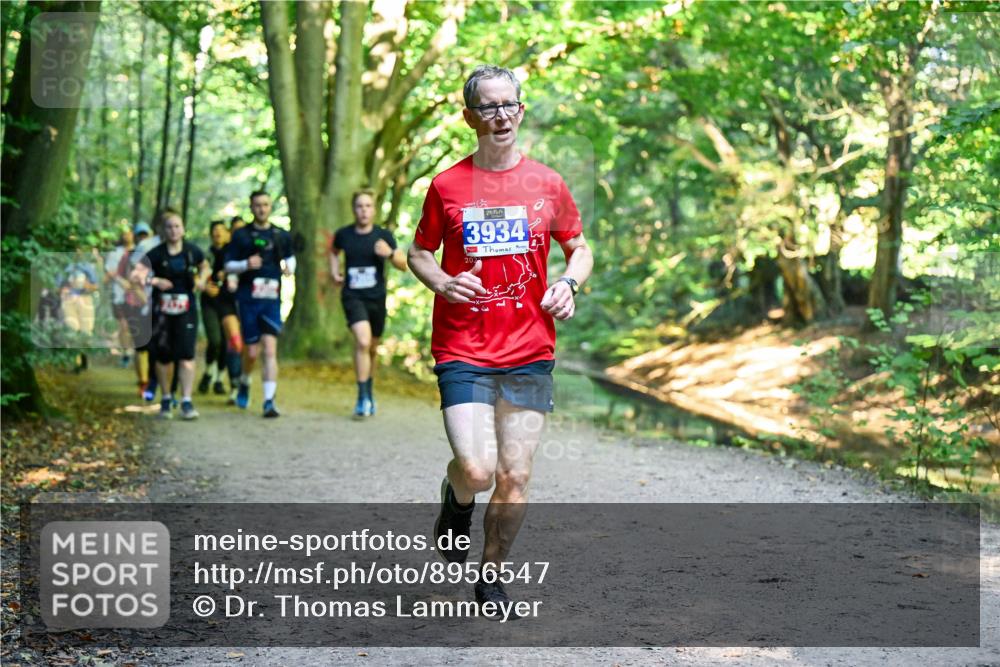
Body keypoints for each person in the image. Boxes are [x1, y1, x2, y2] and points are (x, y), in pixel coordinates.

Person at [407, 65, 593, 615]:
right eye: (487, 107)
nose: (500, 115)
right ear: (469, 117)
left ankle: (491, 576)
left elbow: (578, 248)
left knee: (514, 475)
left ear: (521, 109)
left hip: (529, 350)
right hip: (463, 346)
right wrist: (442, 280)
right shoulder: (446, 185)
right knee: (479, 469)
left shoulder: (548, 183)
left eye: (508, 104)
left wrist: (567, 282)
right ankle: (456, 500)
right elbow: (419, 252)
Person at [330, 189, 407, 417]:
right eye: (359, 206)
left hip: (376, 298)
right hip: (353, 296)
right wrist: (335, 272)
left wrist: (390, 253)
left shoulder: (383, 236)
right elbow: (333, 252)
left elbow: (403, 264)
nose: (363, 210)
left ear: (374, 209)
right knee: (362, 342)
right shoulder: (343, 234)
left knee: (372, 348)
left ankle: (369, 391)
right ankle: (362, 398)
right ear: (353, 209)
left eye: (368, 206)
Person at [224, 191, 295, 418]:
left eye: (265, 205)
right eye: (257, 205)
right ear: (251, 207)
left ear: (270, 207)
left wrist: (289, 268)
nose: (262, 209)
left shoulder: (281, 235)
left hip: (271, 300)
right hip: (248, 300)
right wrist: (246, 264)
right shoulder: (241, 236)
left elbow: (291, 259)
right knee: (252, 351)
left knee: (270, 349)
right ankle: (244, 380)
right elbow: (228, 265)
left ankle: (268, 401)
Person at [135, 211, 211, 420]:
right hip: (162, 311)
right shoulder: (156, 253)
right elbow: (137, 275)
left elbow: (205, 267)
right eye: (169, 227)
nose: (174, 230)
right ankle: (166, 397)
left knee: (187, 356)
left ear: (183, 229)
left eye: (177, 226)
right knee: (163, 357)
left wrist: (201, 280)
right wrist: (155, 281)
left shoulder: (191, 251)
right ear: (163, 231)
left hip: (186, 310)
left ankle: (186, 400)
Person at [199, 221, 243, 399]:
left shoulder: (234, 255)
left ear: (228, 234)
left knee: (228, 342)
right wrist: (205, 286)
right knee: (215, 340)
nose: (217, 233)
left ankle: (220, 379)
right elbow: (197, 274)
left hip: (229, 303)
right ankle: (209, 372)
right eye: (214, 230)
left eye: (221, 230)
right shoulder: (205, 255)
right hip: (209, 302)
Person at [104, 227, 135, 367]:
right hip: (119, 295)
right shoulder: (115, 253)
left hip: (137, 296)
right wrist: (121, 281)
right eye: (124, 233)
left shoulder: (140, 250)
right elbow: (109, 272)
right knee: (124, 325)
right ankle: (126, 353)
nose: (126, 235)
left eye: (129, 232)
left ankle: (137, 351)